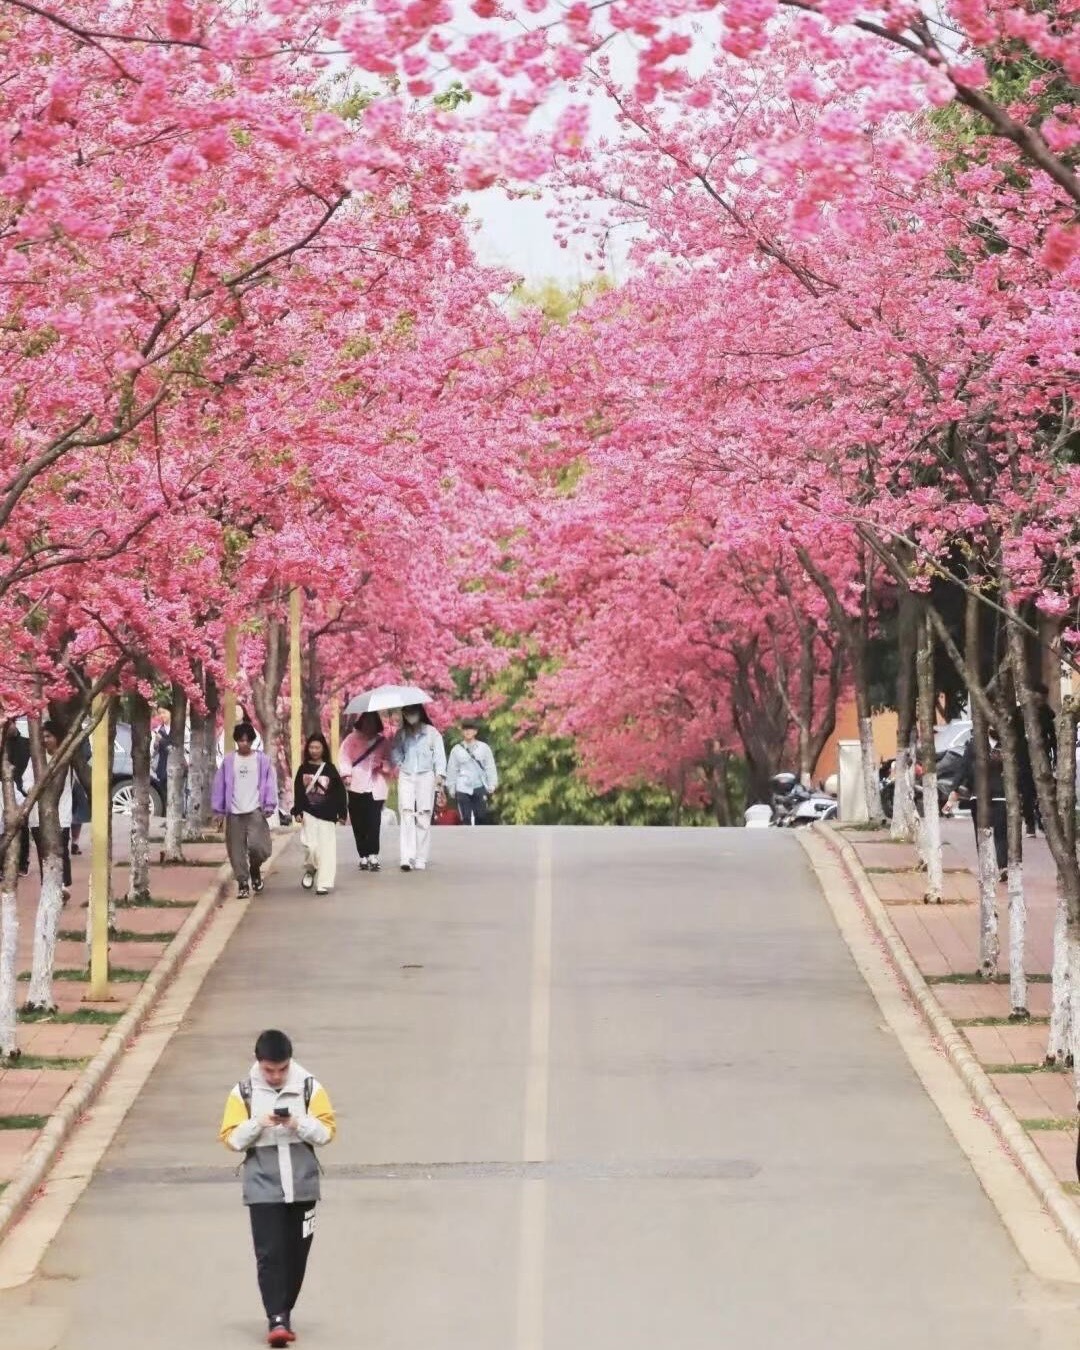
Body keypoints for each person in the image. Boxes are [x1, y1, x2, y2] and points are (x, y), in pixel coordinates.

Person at [219, 1029, 336, 1348]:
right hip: (262, 1186)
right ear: (258, 1064)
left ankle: (284, 1309)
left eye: (282, 1069)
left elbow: (327, 1132)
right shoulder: (242, 1092)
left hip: (303, 1185)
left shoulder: (310, 1086)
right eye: (269, 1070)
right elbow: (230, 1139)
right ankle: (277, 1318)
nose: (276, 1076)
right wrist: (259, 1123)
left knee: (297, 1253)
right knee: (269, 1253)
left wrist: (297, 1122)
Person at [212, 722, 277, 898]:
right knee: (236, 850)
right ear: (236, 741)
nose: (244, 744)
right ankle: (242, 882)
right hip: (234, 812)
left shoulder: (262, 761)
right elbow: (219, 786)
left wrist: (269, 804)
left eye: (247, 741)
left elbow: (270, 783)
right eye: (240, 741)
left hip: (255, 810)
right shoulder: (228, 761)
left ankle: (255, 868)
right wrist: (218, 811)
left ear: (252, 741)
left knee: (259, 847)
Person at [390, 705, 446, 872]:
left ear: (420, 712)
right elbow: (394, 751)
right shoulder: (401, 734)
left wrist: (439, 775)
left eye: (413, 712)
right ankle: (406, 856)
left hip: (426, 775)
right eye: (407, 712)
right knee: (406, 813)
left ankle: (421, 857)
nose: (410, 716)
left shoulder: (432, 733)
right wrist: (400, 763)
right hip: (407, 775)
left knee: (423, 814)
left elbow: (440, 756)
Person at [291, 734, 347, 895]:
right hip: (309, 813)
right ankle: (311, 869)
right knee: (311, 847)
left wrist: (342, 812)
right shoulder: (304, 769)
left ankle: (323, 883)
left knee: (327, 850)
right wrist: (298, 811)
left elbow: (339, 792)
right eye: (311, 747)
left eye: (317, 747)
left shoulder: (330, 769)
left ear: (323, 749)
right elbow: (299, 792)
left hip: (328, 814)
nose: (314, 750)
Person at [21, 721, 73, 893]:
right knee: (44, 853)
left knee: (60, 849)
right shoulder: (37, 758)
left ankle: (62, 886)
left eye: (48, 736)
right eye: (42, 736)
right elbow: (26, 781)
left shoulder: (66, 757)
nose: (45, 739)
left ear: (57, 737)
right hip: (39, 814)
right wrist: (34, 789)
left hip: (61, 811)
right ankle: (49, 888)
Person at [338, 712, 392, 871]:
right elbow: (344, 757)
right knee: (358, 822)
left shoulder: (383, 742)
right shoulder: (351, 740)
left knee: (374, 822)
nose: (369, 726)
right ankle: (363, 855)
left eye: (372, 722)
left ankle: (373, 855)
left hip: (376, 787)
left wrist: (382, 765)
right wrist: (346, 773)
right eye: (366, 722)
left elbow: (391, 760)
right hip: (355, 784)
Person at [446, 719, 499, 825]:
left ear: (475, 731)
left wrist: (492, 783)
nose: (468, 731)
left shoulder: (484, 748)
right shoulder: (456, 750)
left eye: (470, 729)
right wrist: (451, 787)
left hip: (479, 785)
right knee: (466, 817)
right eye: (465, 729)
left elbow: (490, 767)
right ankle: (467, 840)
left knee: (481, 816)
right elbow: (452, 769)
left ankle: (479, 839)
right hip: (462, 787)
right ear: (462, 732)